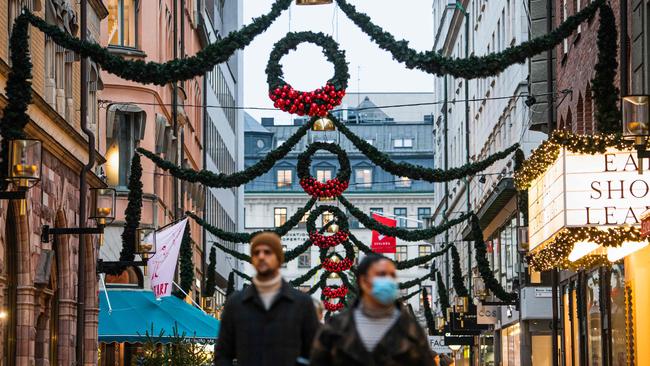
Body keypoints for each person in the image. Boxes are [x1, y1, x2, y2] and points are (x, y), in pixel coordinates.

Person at [215, 232, 319, 366]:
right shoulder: (236, 303)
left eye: (267, 252)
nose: (261, 256)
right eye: (256, 253)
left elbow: (315, 354)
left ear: (279, 258)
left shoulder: (301, 303)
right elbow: (223, 353)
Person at [310, 254, 434, 365]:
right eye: (381, 275)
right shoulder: (336, 328)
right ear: (364, 281)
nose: (389, 280)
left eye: (392, 275)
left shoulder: (410, 330)